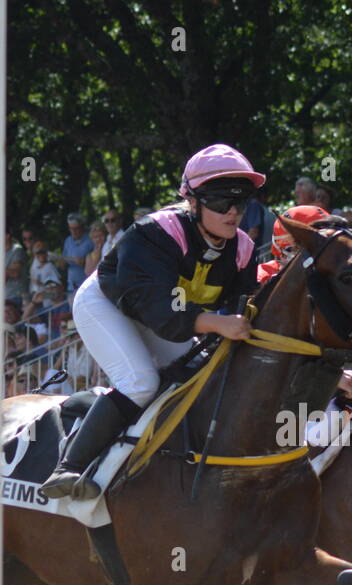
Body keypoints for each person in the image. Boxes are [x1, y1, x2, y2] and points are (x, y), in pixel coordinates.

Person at [40, 144, 267, 499]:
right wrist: (217, 323)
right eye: (222, 201)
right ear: (193, 201)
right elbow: (158, 310)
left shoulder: (242, 250)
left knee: (201, 379)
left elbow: (250, 310)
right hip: (108, 305)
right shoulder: (155, 233)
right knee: (141, 382)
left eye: (242, 202)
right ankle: (68, 467)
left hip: (170, 317)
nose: (234, 212)